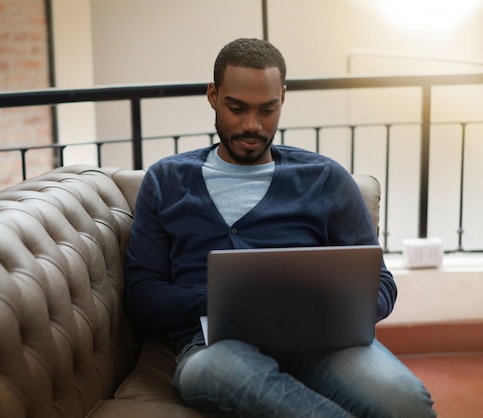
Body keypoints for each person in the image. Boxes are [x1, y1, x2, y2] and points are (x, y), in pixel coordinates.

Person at [124, 38, 436, 417]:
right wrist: (227, 301)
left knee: (406, 402)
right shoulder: (166, 181)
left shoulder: (325, 178)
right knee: (218, 371)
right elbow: (142, 293)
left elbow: (382, 285)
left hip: (321, 344)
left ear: (283, 99)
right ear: (212, 95)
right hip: (213, 349)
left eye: (267, 110)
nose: (252, 125)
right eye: (236, 108)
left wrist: (324, 309)